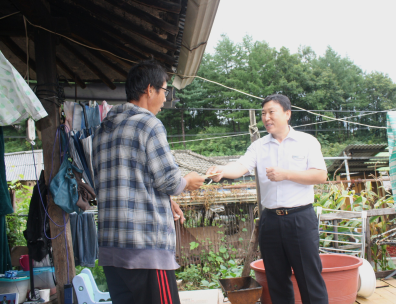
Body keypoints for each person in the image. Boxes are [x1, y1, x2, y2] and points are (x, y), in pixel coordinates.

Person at [92, 60, 205, 304]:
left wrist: (166, 202)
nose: (165, 98)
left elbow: (125, 182)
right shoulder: (149, 124)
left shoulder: (102, 130)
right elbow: (169, 181)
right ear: (149, 90)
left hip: (112, 251)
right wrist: (188, 181)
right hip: (145, 249)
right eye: (165, 90)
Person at [207, 94, 329, 304]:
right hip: (270, 221)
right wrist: (222, 171)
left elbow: (320, 175)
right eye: (263, 113)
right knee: (276, 281)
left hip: (300, 218)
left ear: (287, 114)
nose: (266, 117)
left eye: (271, 112)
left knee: (310, 280)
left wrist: (286, 174)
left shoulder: (307, 141)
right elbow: (241, 166)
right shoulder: (259, 146)